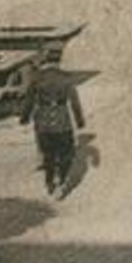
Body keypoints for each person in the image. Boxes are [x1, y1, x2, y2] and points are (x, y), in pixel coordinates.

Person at [19, 43, 85, 197]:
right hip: (62, 118)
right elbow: (74, 100)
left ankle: (49, 182)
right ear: (60, 58)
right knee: (65, 152)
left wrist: (25, 118)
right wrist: (79, 120)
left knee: (48, 153)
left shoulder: (37, 77)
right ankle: (61, 181)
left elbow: (29, 100)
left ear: (46, 57)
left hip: (43, 119)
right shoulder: (66, 77)